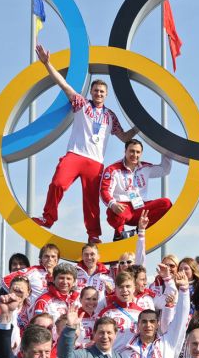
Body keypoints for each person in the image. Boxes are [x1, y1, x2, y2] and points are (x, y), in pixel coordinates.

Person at [31, 43, 139, 243]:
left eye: (102, 92)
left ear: (106, 95)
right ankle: (48, 217)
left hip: (95, 162)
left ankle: (94, 235)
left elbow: (124, 137)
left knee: (91, 201)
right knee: (57, 183)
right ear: (91, 92)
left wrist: (140, 127)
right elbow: (63, 84)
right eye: (96, 91)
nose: (98, 94)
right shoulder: (81, 103)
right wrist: (47, 64)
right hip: (75, 154)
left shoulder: (110, 116)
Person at [100, 138, 173, 241]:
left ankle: (140, 230)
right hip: (124, 208)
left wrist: (167, 151)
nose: (135, 155)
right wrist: (113, 204)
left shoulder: (144, 167)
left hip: (141, 208)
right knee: (112, 211)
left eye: (138, 152)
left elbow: (164, 170)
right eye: (131, 151)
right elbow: (104, 191)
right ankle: (119, 234)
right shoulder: (113, 169)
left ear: (141, 153)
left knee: (166, 203)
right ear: (125, 151)